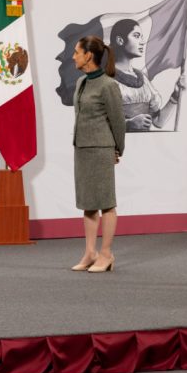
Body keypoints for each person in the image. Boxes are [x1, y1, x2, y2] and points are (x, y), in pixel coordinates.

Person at [69, 35, 126, 273]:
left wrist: (117, 149)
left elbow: (118, 122)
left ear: (88, 55)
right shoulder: (82, 82)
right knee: (88, 204)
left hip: (101, 150)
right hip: (82, 149)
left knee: (106, 203)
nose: (73, 56)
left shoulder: (108, 85)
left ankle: (106, 253)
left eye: (76, 52)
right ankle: (90, 252)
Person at [109, 18, 185, 131]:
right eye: (136, 36)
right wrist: (128, 124)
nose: (142, 41)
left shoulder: (142, 79)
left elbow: (158, 122)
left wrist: (175, 96)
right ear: (120, 40)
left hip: (144, 146)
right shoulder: (104, 79)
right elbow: (94, 126)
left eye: (141, 36)